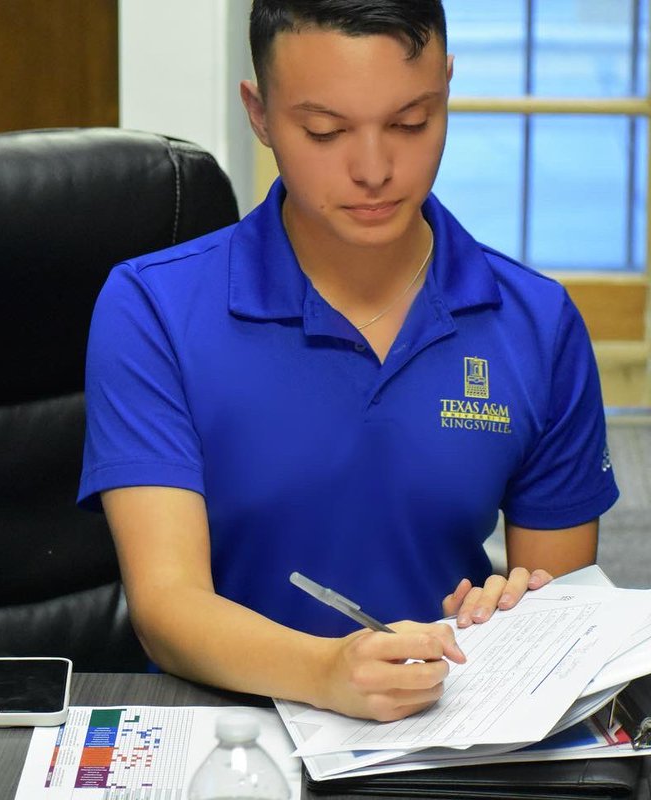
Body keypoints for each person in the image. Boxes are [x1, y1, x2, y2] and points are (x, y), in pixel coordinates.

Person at [79, 0, 618, 723]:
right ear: (261, 114)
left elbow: (565, 621)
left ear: (447, 92)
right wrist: (328, 672)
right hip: (226, 731)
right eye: (325, 131)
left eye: (410, 123)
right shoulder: (153, 308)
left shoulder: (537, 323)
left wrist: (514, 614)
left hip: (445, 728)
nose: (375, 170)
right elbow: (166, 605)